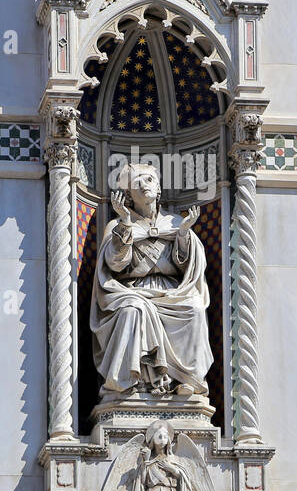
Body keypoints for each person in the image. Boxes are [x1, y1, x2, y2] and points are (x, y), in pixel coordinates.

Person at [91, 163, 213, 398]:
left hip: (172, 292)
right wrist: (126, 225)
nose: (143, 185)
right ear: (127, 195)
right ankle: (130, 382)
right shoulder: (117, 225)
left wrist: (184, 235)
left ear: (158, 189)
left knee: (195, 307)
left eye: (148, 179)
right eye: (136, 182)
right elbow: (115, 265)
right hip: (132, 290)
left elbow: (189, 267)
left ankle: (188, 381)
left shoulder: (176, 222)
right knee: (132, 309)